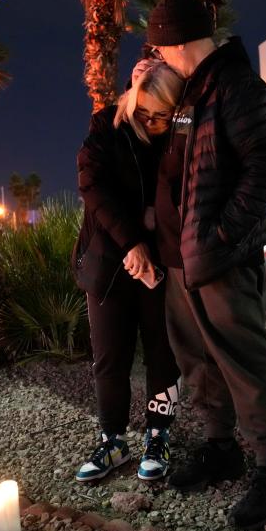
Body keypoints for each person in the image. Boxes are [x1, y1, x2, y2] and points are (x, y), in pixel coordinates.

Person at [145, 0, 266, 530]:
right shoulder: (193, 91)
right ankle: (220, 448)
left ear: (178, 41)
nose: (157, 56)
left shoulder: (236, 86)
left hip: (220, 257)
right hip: (182, 258)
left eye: (159, 48)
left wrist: (225, 232)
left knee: (245, 362)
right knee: (200, 363)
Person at [72, 59, 185, 483]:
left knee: (163, 352)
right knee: (109, 358)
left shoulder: (177, 135)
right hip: (108, 263)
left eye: (162, 115)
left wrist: (155, 223)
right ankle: (112, 440)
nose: (152, 123)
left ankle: (158, 436)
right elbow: (93, 186)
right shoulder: (107, 126)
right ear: (131, 99)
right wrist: (134, 239)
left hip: (160, 264)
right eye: (144, 113)